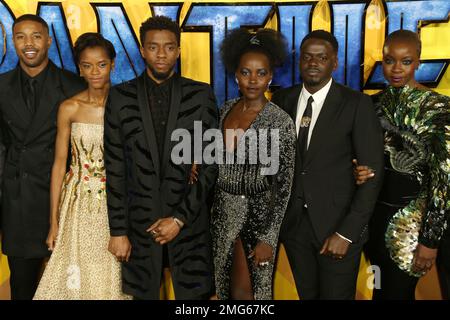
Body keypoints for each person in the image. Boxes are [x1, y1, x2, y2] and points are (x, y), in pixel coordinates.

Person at [104, 15, 218, 300]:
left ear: (178, 50)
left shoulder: (201, 95)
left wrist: (178, 219)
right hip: (139, 228)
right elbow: (115, 167)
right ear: (142, 50)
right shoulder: (120, 96)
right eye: (153, 47)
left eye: (169, 47)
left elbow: (211, 164)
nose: (161, 54)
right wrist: (118, 231)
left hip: (188, 226)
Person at [271, 30, 384, 300]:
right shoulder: (281, 101)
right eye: (307, 57)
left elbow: (371, 176)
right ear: (299, 61)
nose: (313, 63)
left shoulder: (357, 104)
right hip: (295, 229)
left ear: (334, 63)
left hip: (337, 227)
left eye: (321, 57)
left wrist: (346, 234)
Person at [32, 33, 130, 300]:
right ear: (79, 68)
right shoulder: (69, 107)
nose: (94, 71)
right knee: (76, 276)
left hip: (117, 205)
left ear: (112, 64)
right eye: (87, 65)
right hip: (76, 205)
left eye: (101, 64)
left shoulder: (126, 106)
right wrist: (53, 223)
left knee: (111, 273)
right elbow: (59, 165)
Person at [354, 29, 449, 300]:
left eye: (406, 61)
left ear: (418, 62)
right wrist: (356, 170)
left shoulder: (439, 109)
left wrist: (430, 240)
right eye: (389, 60)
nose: (396, 69)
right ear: (381, 61)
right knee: (381, 291)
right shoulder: (372, 105)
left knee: (397, 293)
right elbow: (361, 157)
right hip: (372, 219)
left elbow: (445, 179)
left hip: (411, 223)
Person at [0, 14, 86, 300]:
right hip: (18, 203)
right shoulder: (1, 87)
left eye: (36, 36)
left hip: (63, 204)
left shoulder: (73, 86)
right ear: (13, 41)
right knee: (22, 289)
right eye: (21, 36)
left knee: (70, 289)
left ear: (49, 40)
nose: (29, 43)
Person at [211, 28, 296, 300]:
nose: (253, 80)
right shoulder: (224, 110)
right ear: (236, 75)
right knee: (225, 290)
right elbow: (215, 162)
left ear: (270, 76)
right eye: (246, 72)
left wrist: (269, 237)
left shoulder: (280, 122)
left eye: (261, 73)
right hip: (222, 217)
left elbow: (283, 186)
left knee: (253, 293)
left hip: (258, 219)